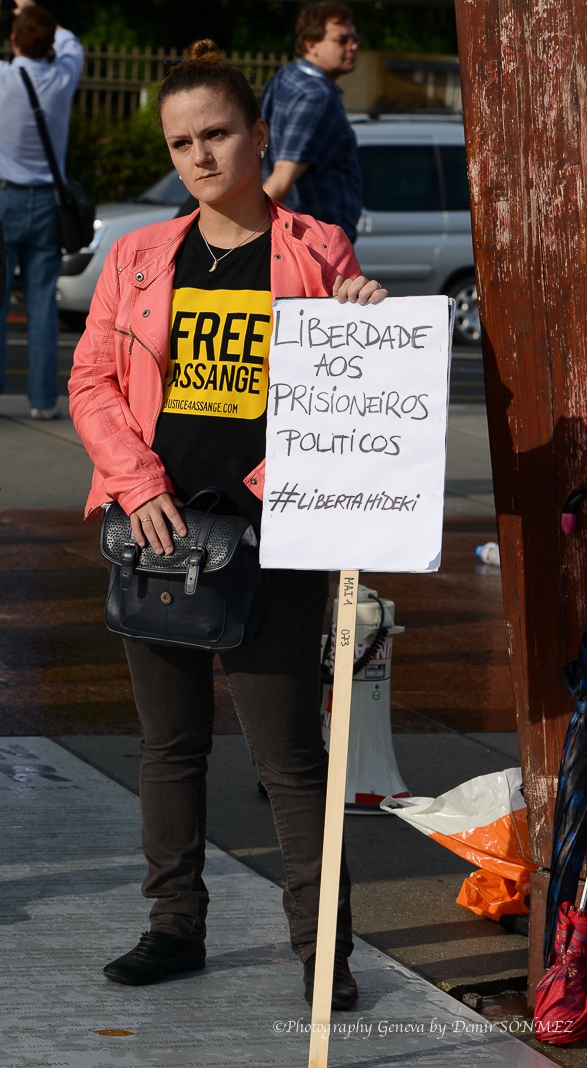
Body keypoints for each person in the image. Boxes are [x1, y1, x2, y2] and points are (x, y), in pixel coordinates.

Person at [69, 40, 386, 1009]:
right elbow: (91, 380)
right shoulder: (135, 259)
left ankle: (319, 953)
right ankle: (173, 927)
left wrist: (364, 320)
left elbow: (353, 384)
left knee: (288, 758)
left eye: (215, 134)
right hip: (157, 535)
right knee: (168, 747)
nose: (199, 156)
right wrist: (133, 479)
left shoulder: (315, 247)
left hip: (275, 535)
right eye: (181, 143)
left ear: (256, 135)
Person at [0, 0, 83, 419]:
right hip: (49, 202)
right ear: (48, 42)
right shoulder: (62, 78)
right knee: (42, 304)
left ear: (13, 41)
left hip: (5, 198)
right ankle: (43, 400)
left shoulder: (3, 78)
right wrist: (32, 9)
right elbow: (70, 42)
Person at [260, 1, 362, 243]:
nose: (353, 46)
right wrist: (241, 235)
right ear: (311, 44)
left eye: (355, 39)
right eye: (341, 40)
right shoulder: (317, 97)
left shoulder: (287, 76)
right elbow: (282, 177)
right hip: (314, 243)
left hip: (299, 236)